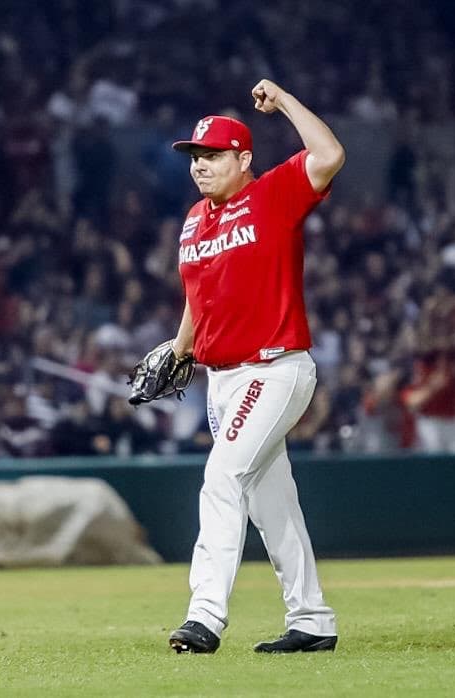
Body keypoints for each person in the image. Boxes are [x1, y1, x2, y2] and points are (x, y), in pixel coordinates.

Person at [165, 79, 344, 655]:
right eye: (195, 156)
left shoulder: (272, 195)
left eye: (213, 155)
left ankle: (204, 617)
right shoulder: (195, 220)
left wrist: (287, 101)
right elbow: (198, 296)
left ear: (244, 159)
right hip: (222, 380)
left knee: (222, 480)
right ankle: (313, 619)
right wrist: (178, 349)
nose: (200, 165)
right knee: (274, 506)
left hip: (274, 367)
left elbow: (330, 155)